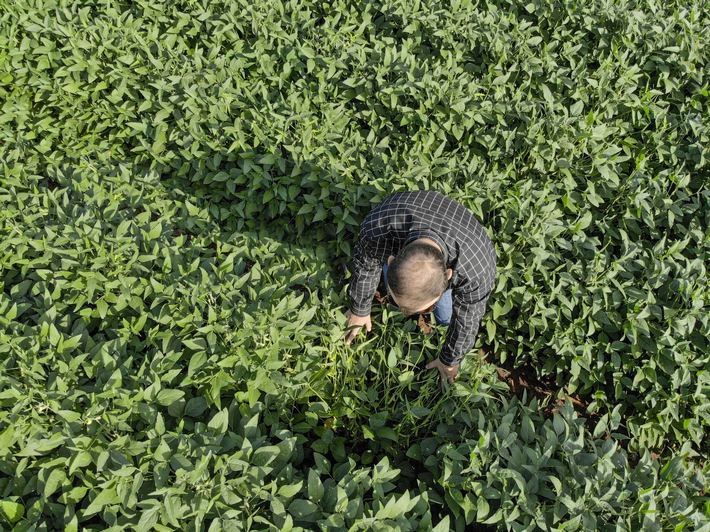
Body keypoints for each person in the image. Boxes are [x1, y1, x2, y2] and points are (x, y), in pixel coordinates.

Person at [342, 190, 496, 390]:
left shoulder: (477, 269)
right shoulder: (379, 226)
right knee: (400, 281)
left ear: (448, 276)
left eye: (425, 309)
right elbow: (365, 264)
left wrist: (449, 360)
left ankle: (439, 310)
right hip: (404, 211)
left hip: (462, 238)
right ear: (391, 259)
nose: (410, 313)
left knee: (447, 317)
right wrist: (359, 308)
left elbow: (468, 320)